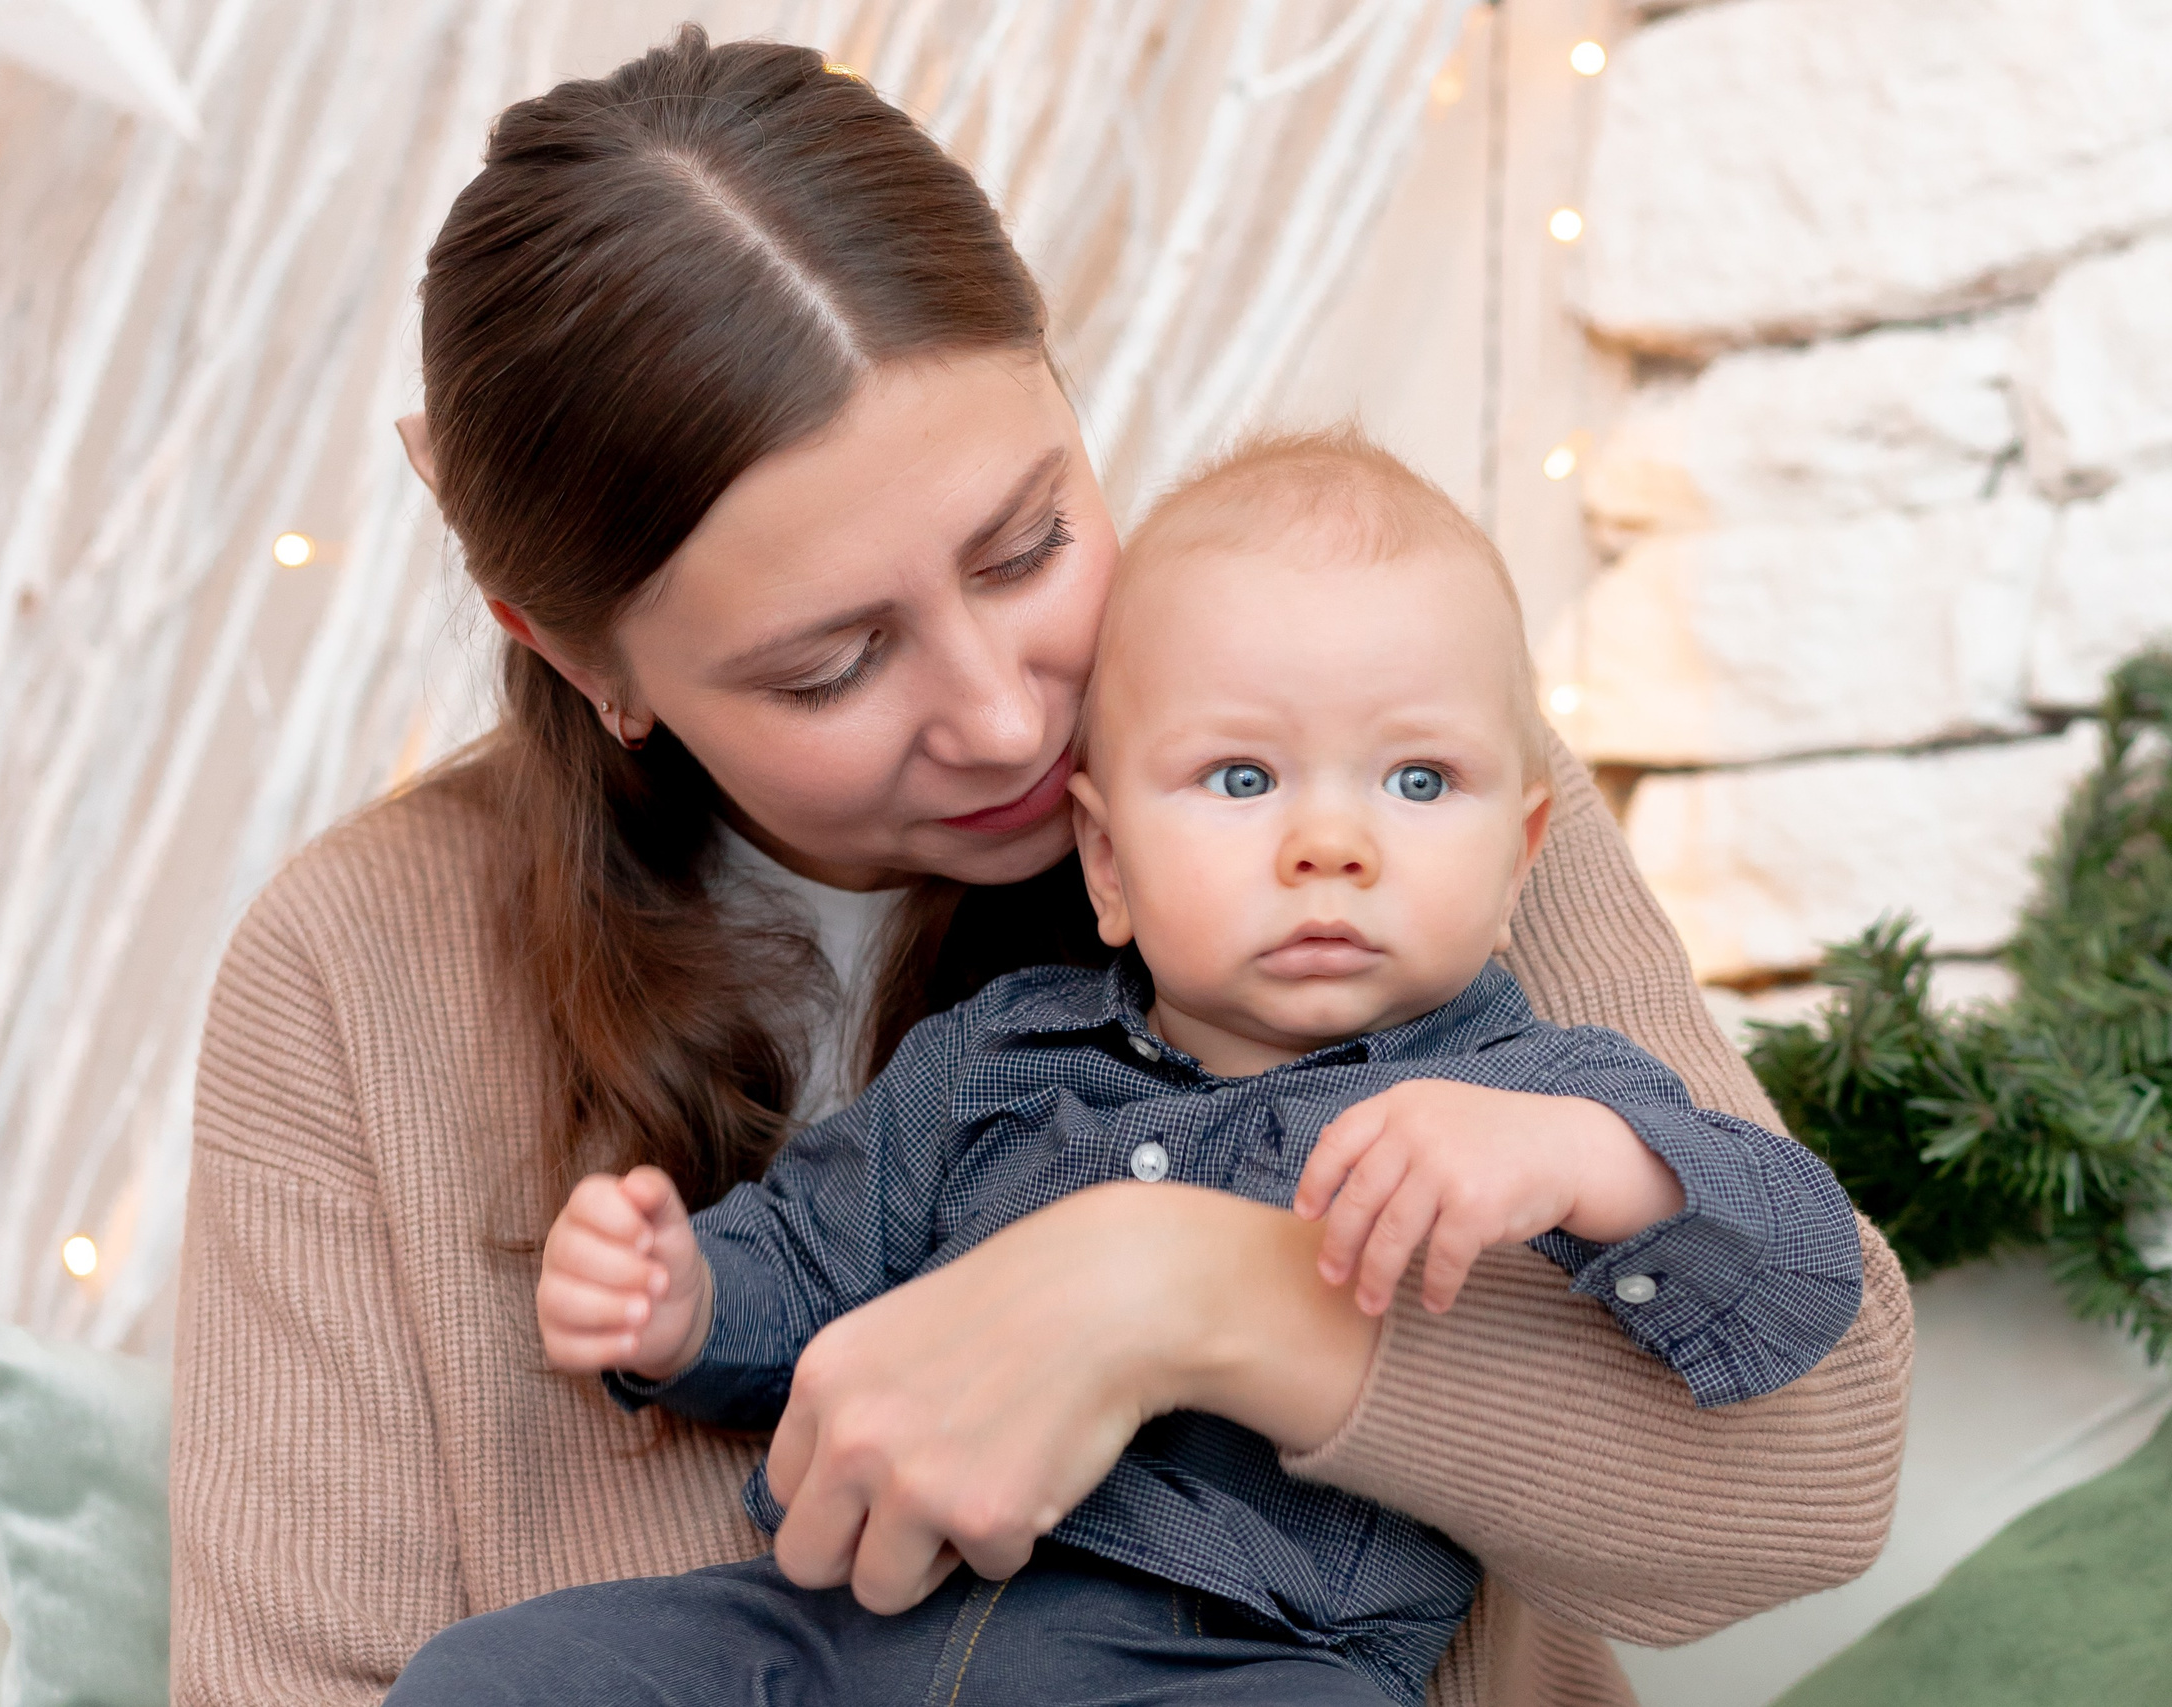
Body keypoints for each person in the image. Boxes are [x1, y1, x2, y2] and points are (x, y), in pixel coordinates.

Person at [169, 29, 1915, 1707]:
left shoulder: (1377, 790)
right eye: (829, 667)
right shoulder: (355, 969)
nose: (1009, 723)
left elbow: (1813, 1481)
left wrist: (1179, 1290)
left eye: (1027, 546)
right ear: (579, 656)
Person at [385, 432, 1867, 1707]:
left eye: (1420, 784)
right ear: (1106, 858)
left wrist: (1597, 1170)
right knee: (493, 1680)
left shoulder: (1535, 1094)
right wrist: (678, 1296)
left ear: (1519, 854)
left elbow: (1801, 1280)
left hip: (1244, 1659)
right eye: (1242, 780)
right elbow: (809, 1256)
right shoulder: (994, 1058)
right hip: (854, 1638)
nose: (1331, 841)